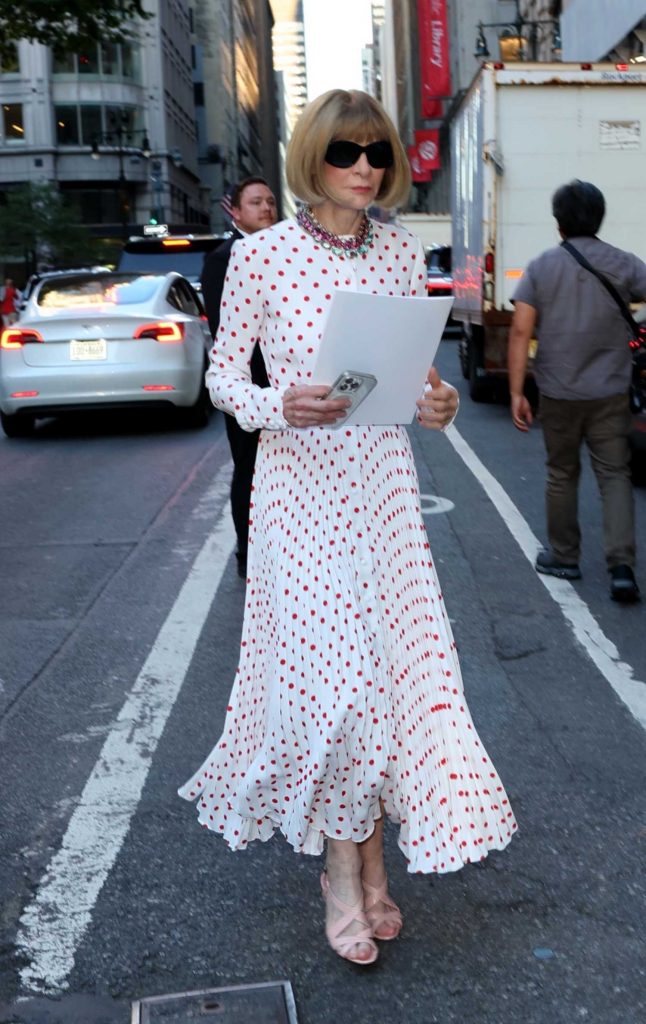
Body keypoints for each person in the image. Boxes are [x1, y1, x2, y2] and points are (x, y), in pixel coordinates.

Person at [179, 89, 517, 965]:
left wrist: (437, 402)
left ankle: (370, 868)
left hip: (383, 495)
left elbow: (408, 387)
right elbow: (221, 380)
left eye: (377, 152)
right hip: (299, 495)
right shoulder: (264, 257)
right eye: (346, 152)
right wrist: (274, 402)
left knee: (386, 686)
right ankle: (343, 873)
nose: (365, 166)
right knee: (343, 688)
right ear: (313, 158)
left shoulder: (403, 253)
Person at [509, 179, 646, 603]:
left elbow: (520, 330)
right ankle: (621, 568)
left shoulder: (542, 267)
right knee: (615, 475)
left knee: (561, 474)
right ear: (599, 218)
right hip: (610, 392)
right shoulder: (625, 263)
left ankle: (565, 556)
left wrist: (517, 392)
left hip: (559, 391)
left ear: (559, 222)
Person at [200, 177, 278, 577]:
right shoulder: (224, 257)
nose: (266, 208)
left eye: (270, 201)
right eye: (255, 202)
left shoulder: (285, 253)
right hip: (247, 386)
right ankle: (248, 555)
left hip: (289, 385)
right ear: (235, 211)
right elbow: (224, 329)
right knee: (249, 467)